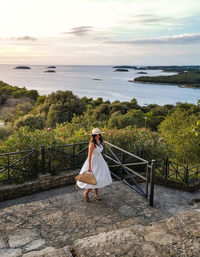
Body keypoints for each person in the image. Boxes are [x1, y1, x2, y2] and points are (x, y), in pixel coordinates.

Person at [76, 128, 112, 202]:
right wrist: (89, 167)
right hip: (93, 163)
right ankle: (86, 193)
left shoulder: (98, 141)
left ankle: (96, 195)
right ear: (96, 135)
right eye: (99, 134)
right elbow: (89, 156)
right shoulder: (92, 144)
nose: (100, 135)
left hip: (100, 161)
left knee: (98, 179)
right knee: (94, 179)